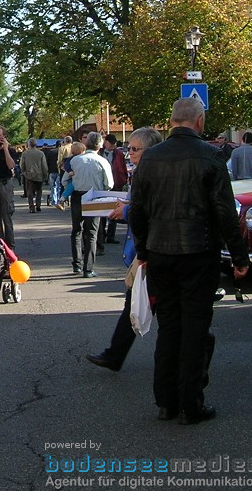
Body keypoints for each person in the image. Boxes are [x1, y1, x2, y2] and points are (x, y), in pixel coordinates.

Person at [128, 98, 248, 425]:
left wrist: (143, 251)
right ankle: (191, 403)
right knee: (195, 327)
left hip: (161, 252)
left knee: (169, 327)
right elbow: (225, 211)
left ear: (171, 121)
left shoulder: (150, 158)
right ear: (199, 121)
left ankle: (166, 401)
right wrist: (239, 257)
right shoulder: (210, 156)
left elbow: (136, 209)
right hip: (199, 251)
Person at [86, 127, 161, 370]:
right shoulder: (142, 172)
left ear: (150, 151)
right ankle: (114, 355)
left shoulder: (151, 174)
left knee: (143, 303)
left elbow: (150, 212)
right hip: (145, 250)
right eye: (129, 148)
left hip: (151, 251)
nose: (129, 153)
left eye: (135, 149)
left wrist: (126, 210)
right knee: (133, 303)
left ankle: (115, 355)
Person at [69, 132, 114, 277]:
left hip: (77, 195)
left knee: (76, 230)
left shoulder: (75, 160)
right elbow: (109, 183)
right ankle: (88, 269)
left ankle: (76, 264)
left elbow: (66, 178)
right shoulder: (102, 161)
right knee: (92, 233)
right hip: (94, 195)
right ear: (100, 145)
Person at [100, 134, 128, 245]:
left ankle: (111, 236)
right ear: (105, 142)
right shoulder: (99, 153)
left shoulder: (119, 154)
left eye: (114, 144)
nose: (112, 145)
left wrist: (124, 180)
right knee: (101, 211)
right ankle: (102, 234)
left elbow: (123, 167)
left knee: (114, 211)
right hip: (102, 187)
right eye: (110, 143)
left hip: (117, 185)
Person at [19, 139, 48, 213]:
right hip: (39, 174)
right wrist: (45, 174)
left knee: (30, 192)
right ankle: (38, 205)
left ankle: (31, 207)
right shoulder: (41, 153)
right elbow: (44, 165)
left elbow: (22, 164)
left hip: (29, 175)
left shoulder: (25, 153)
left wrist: (23, 172)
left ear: (29, 144)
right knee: (39, 190)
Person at [44, 142, 61, 207]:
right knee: (58, 186)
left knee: (53, 186)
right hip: (59, 171)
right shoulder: (61, 152)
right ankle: (59, 200)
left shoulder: (51, 152)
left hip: (51, 171)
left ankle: (54, 200)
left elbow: (47, 161)